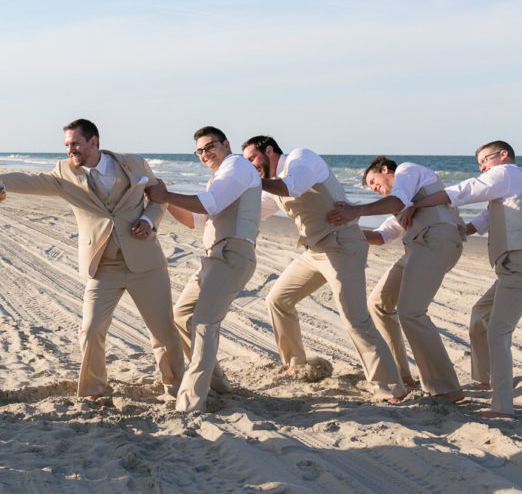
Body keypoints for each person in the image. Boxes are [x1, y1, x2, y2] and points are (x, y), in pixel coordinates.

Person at [0, 119, 182, 399]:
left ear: (93, 142)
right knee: (91, 329)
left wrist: (149, 220)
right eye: (67, 145)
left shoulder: (135, 163)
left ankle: (176, 386)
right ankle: (94, 389)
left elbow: (158, 196)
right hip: (102, 265)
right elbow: (31, 181)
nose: (71, 150)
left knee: (163, 332)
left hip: (145, 263)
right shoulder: (64, 172)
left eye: (76, 144)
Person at [242, 136, 406, 402]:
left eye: (252, 159)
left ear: (269, 150)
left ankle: (390, 387)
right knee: (278, 300)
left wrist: (246, 179)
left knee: (355, 319)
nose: (251, 166)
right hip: (314, 251)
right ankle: (296, 364)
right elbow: (251, 213)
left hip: (342, 246)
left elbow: (293, 186)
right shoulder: (272, 188)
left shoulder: (300, 158)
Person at [325, 156, 466, 403]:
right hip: (417, 247)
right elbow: (382, 235)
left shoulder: (408, 171)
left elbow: (398, 200)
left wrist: (355, 211)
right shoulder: (402, 204)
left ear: (386, 169)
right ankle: (403, 376)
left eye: (373, 181)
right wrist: (346, 230)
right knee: (378, 303)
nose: (373, 188)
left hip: (438, 241)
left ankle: (446, 389)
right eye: (369, 187)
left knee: (411, 312)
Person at [400, 140, 522, 418]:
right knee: (480, 315)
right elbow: (482, 220)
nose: (482, 168)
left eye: (486, 160)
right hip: (510, 268)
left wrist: (416, 204)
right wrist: (455, 231)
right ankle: (487, 378)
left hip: (517, 266)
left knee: (498, 332)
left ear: (503, 156)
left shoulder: (506, 173)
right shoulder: (510, 186)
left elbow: (462, 191)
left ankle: (503, 408)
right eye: (479, 164)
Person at [146, 126, 261, 412]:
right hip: (214, 257)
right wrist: (162, 199)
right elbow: (195, 221)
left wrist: (167, 194)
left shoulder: (236, 166)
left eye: (210, 147)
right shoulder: (221, 178)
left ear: (226, 144)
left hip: (232, 255)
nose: (205, 154)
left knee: (205, 325)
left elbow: (207, 203)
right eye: (199, 151)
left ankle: (190, 402)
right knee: (183, 316)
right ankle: (218, 384)